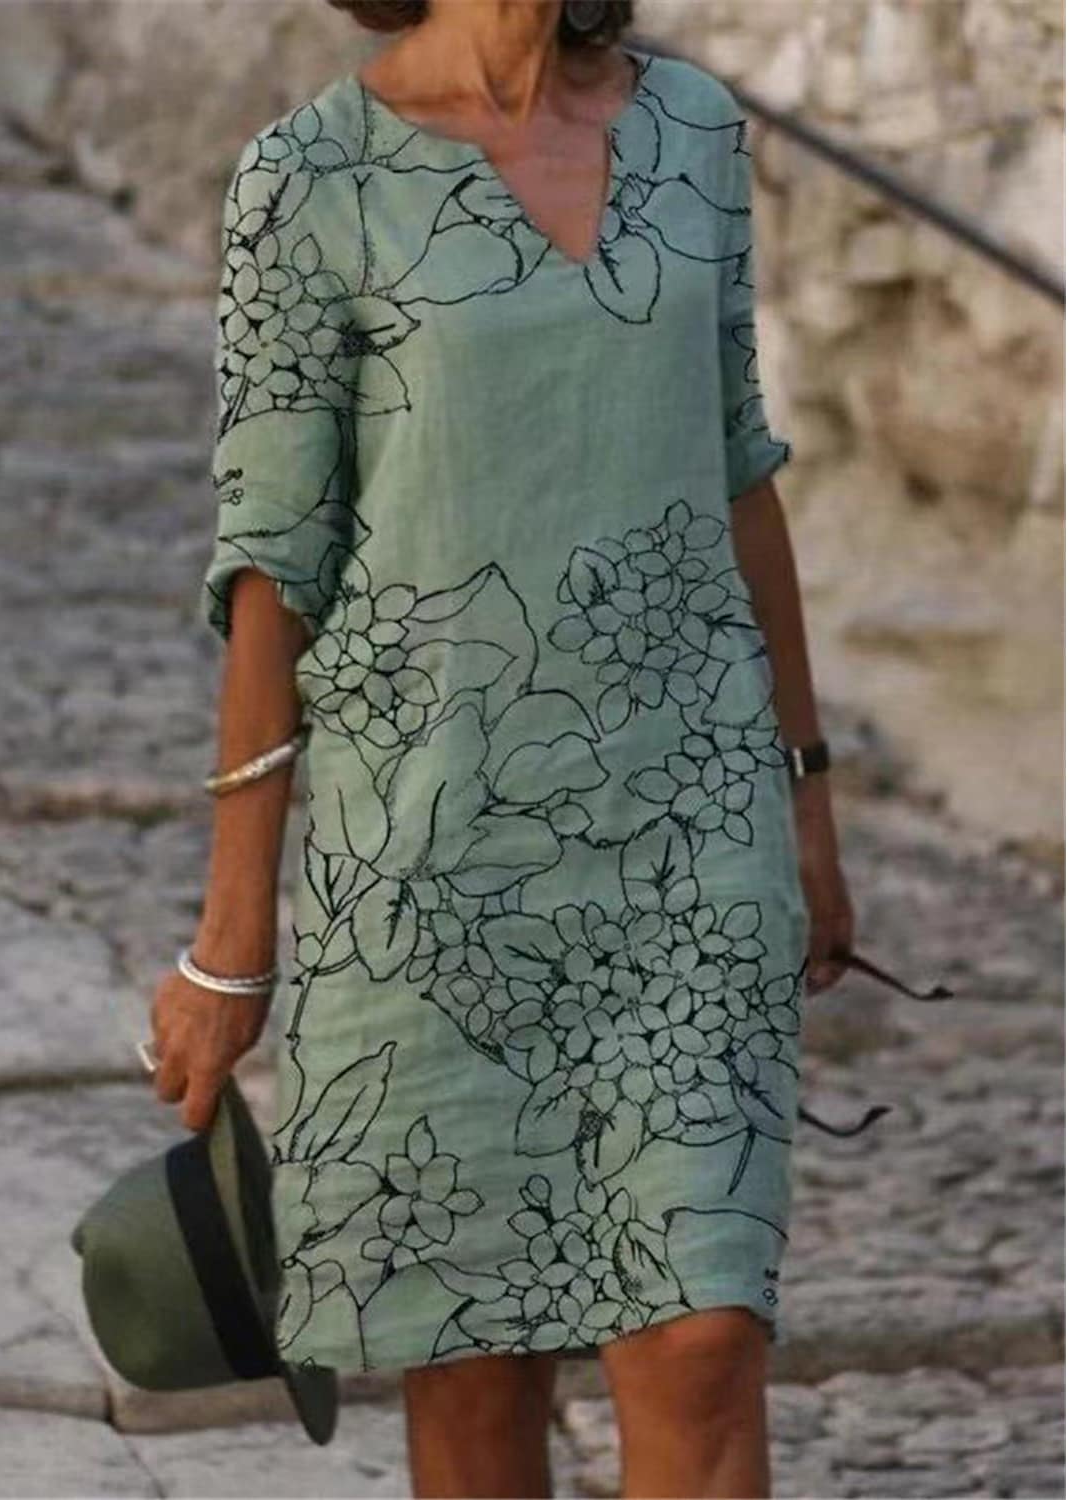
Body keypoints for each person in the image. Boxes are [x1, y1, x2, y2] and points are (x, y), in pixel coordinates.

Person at [149, 1, 855, 1494]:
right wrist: (229, 942)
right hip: (424, 870)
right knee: (475, 1379)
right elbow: (274, 564)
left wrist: (806, 796)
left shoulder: (694, 132)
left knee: (705, 1342)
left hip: (691, 831)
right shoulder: (309, 176)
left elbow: (740, 467)